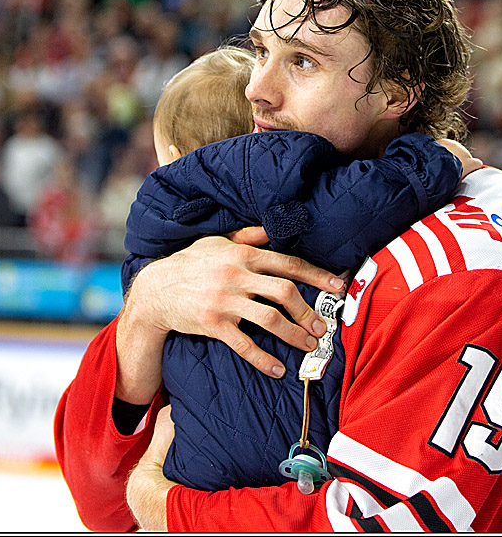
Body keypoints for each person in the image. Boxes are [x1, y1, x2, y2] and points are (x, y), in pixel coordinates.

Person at [55, 0, 502, 532]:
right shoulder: (249, 229)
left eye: (304, 62)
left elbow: (375, 523)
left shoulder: (490, 272)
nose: (256, 90)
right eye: (261, 51)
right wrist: (147, 312)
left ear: (399, 93)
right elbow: (99, 498)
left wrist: (165, 505)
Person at [127, 43, 476, 492]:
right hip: (298, 453)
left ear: (172, 153)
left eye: (302, 61)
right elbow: (340, 214)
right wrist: (431, 161)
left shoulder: (156, 212)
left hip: (196, 466)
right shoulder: (252, 168)